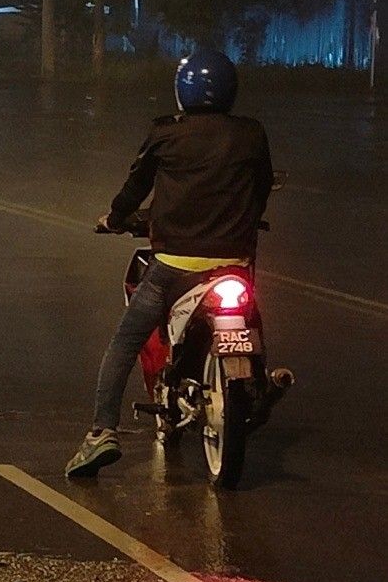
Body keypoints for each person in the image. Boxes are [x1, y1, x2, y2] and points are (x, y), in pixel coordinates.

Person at [66, 48, 274, 478]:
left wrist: (116, 218)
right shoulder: (252, 134)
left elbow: (134, 187)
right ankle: (258, 387)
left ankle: (101, 432)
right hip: (232, 264)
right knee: (252, 319)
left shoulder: (165, 134)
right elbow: (261, 186)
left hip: (173, 267)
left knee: (123, 343)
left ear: (182, 92)